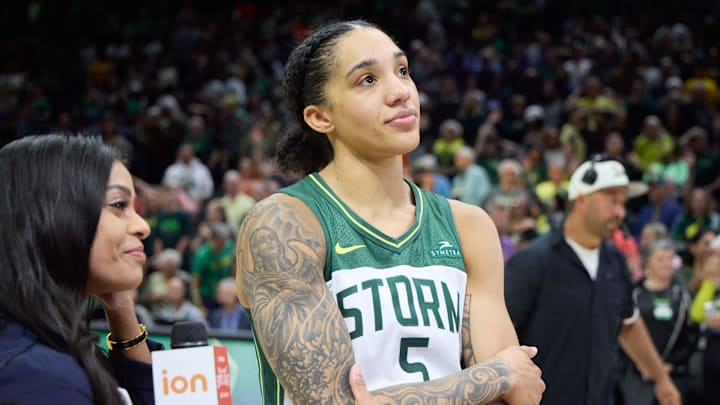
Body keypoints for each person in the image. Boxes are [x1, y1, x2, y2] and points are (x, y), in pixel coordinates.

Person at [235, 20, 544, 404]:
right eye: (367, 79)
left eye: (402, 71)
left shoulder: (468, 225)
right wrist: (491, 377)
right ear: (320, 117)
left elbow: (517, 395)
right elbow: (329, 403)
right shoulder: (285, 223)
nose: (400, 92)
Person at [504, 156, 681, 405]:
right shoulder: (534, 261)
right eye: (612, 200)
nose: (620, 211)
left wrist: (661, 378)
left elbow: (628, 324)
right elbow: (499, 335)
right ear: (582, 199)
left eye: (623, 202)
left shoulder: (615, 262)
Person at [0, 134, 157, 404]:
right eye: (119, 205)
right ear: (53, 215)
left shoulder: (50, 353)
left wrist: (119, 304)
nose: (143, 226)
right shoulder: (39, 380)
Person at [616, 239, 700, 405]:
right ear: (647, 263)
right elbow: (622, 331)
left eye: (670, 258)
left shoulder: (683, 295)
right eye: (661, 259)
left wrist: (671, 364)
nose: (667, 264)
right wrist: (641, 364)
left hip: (674, 373)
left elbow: (692, 334)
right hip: (635, 375)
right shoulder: (634, 293)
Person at [689, 235, 720, 403]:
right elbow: (697, 314)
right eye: (712, 255)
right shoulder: (712, 283)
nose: (713, 260)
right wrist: (709, 281)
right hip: (711, 354)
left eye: (717, 255)